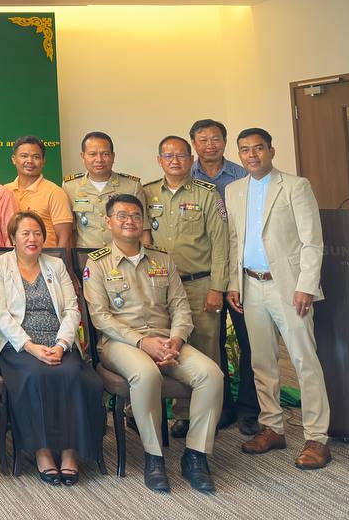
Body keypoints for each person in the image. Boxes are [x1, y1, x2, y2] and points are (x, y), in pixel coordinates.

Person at [84, 194, 222, 494]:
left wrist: (176, 340)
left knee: (211, 374)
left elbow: (180, 306)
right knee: (146, 374)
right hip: (120, 342)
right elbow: (101, 318)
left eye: (136, 216)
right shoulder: (97, 263)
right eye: (122, 216)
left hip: (167, 339)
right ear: (108, 222)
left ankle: (195, 455)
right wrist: (142, 342)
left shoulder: (163, 259)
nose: (130, 221)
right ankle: (154, 457)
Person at [225, 128, 331, 470]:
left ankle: (317, 437)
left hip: (289, 286)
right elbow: (234, 241)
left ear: (271, 150)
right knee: (262, 362)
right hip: (250, 285)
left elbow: (312, 241)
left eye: (258, 148)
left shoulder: (296, 186)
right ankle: (272, 427)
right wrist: (233, 284)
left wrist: (306, 285)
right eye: (245, 150)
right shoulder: (234, 190)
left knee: (303, 360)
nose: (252, 155)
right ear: (239, 155)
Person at [0, 212, 104, 486]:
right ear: (13, 238)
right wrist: (31, 347)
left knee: (73, 375)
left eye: (37, 233)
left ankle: (69, 451)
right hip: (18, 344)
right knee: (35, 376)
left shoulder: (56, 265)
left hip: (57, 340)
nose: (32, 238)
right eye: (25, 233)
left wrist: (62, 344)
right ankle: (42, 451)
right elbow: (0, 314)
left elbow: (72, 309)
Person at [143, 136, 228, 440]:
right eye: (168, 156)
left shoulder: (207, 194)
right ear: (159, 160)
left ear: (191, 160)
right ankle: (181, 414)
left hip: (199, 283)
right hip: (160, 286)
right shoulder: (147, 192)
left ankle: (205, 417)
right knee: (169, 345)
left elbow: (221, 244)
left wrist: (217, 287)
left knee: (205, 349)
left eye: (181, 156)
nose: (175, 161)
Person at [189, 118, 258, 435]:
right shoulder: (187, 177)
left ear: (225, 142)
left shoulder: (243, 175)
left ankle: (249, 408)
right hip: (206, 276)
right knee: (210, 344)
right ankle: (221, 407)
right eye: (203, 140)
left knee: (249, 341)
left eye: (215, 139)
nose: (210, 145)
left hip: (242, 272)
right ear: (194, 144)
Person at [63, 132, 145, 249]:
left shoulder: (132, 186)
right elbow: (68, 232)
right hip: (85, 256)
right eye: (92, 154)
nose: (99, 159)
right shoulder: (70, 186)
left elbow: (143, 230)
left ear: (113, 156)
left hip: (123, 254)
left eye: (105, 154)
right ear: (83, 156)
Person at [4, 137, 74, 250]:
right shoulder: (5, 191)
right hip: (12, 258)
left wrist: (58, 261)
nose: (30, 161)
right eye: (24, 156)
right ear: (14, 159)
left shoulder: (54, 192)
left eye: (36, 157)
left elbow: (64, 238)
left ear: (43, 161)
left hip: (45, 258)